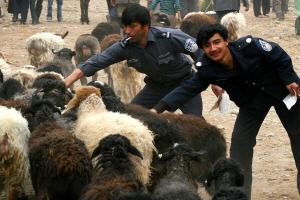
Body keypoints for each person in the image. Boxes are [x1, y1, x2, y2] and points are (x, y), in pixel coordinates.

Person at [151, 23, 300, 199]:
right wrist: (157, 109)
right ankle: (240, 194)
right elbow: (186, 89)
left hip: (282, 92)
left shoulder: (250, 46)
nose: (213, 49)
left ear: (227, 41)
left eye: (217, 42)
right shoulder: (207, 69)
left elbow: (277, 54)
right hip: (252, 104)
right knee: (240, 145)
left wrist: (289, 77)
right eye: (207, 46)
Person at [64, 4, 204, 117]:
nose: (127, 31)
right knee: (130, 116)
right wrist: (66, 82)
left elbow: (199, 50)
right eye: (125, 27)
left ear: (146, 26)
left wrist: (212, 79)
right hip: (157, 86)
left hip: (184, 84)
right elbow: (97, 61)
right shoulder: (125, 46)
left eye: (132, 26)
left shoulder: (168, 37)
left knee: (197, 125)